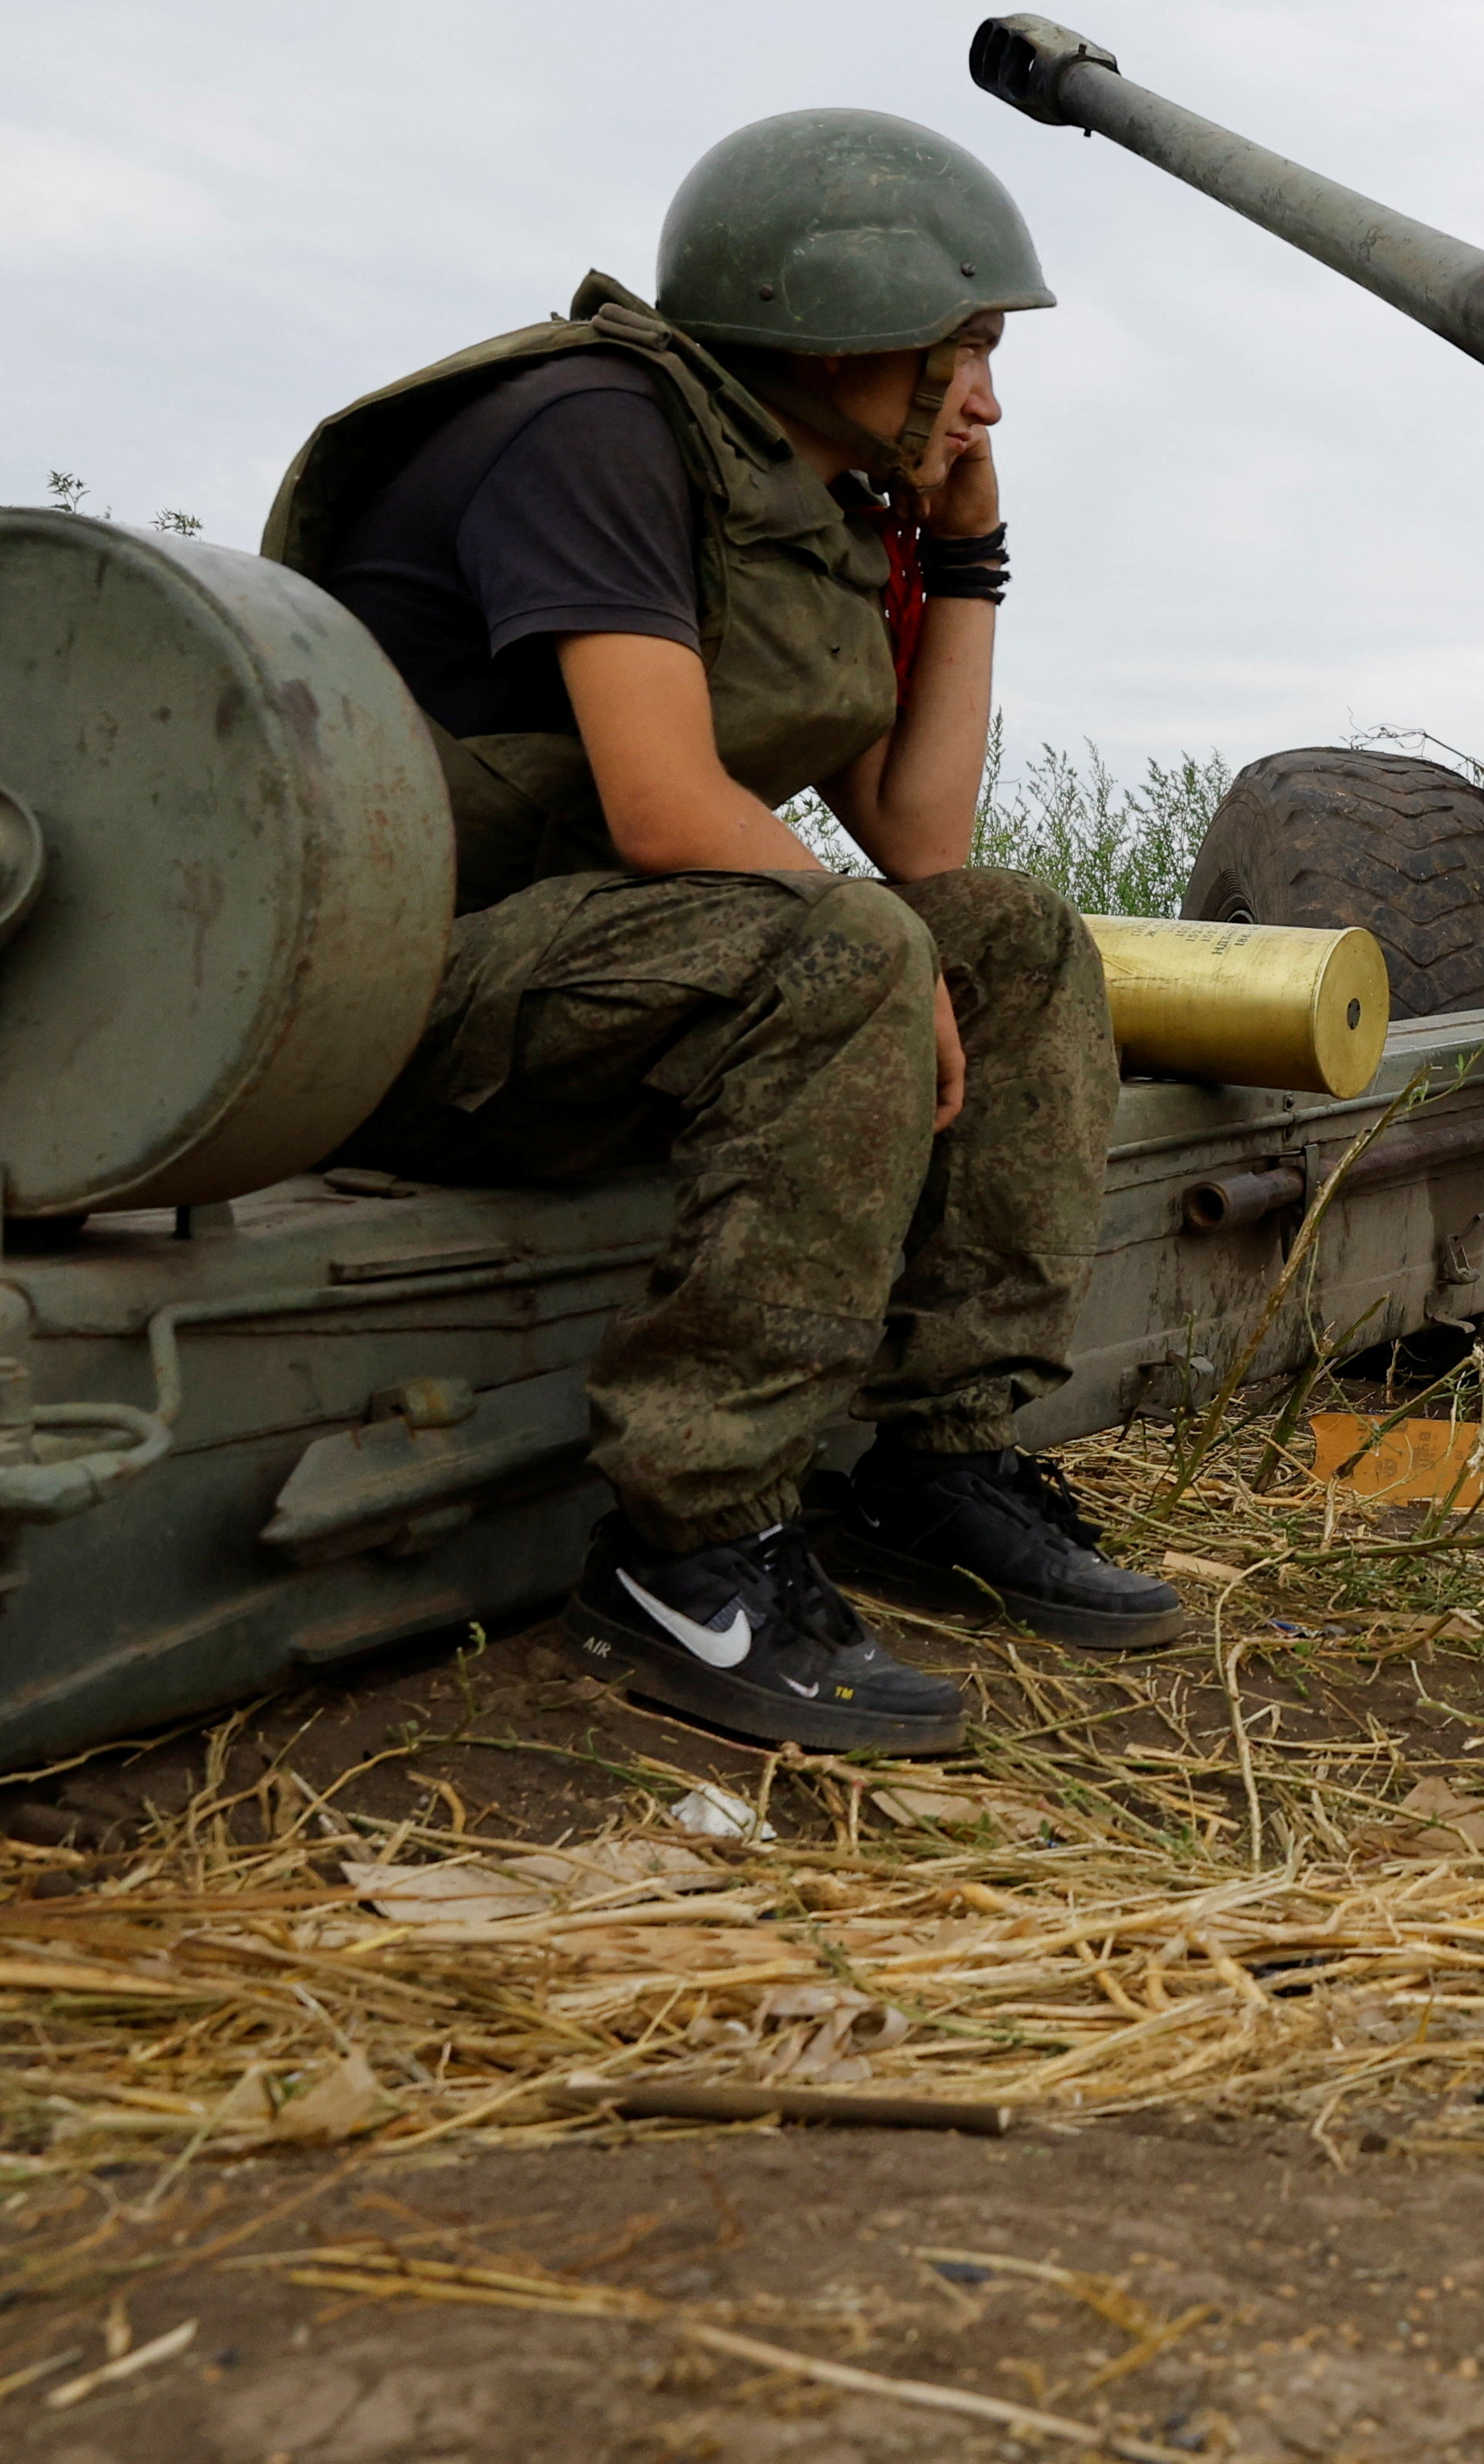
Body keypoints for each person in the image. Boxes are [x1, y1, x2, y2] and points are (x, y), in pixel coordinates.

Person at [262, 108, 1180, 1755]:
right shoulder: (596, 430)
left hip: (586, 978)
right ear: (844, 335)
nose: (987, 395)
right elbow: (669, 812)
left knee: (1011, 933)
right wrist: (879, 964)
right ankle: (691, 1554)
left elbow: (918, 836)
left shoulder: (799, 500)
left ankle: (934, 1455)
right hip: (398, 1006)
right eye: (965, 347)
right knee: (852, 945)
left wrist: (966, 555)